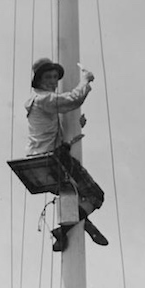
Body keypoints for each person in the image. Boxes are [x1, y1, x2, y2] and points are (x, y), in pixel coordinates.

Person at [25, 58, 108, 252]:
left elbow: (50, 131)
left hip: (35, 162)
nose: (53, 81)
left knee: (73, 196)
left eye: (55, 77)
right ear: (38, 80)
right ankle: (65, 229)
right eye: (48, 77)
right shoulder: (44, 99)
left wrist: (76, 125)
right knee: (96, 196)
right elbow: (73, 99)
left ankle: (76, 224)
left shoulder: (35, 101)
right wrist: (86, 80)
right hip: (52, 159)